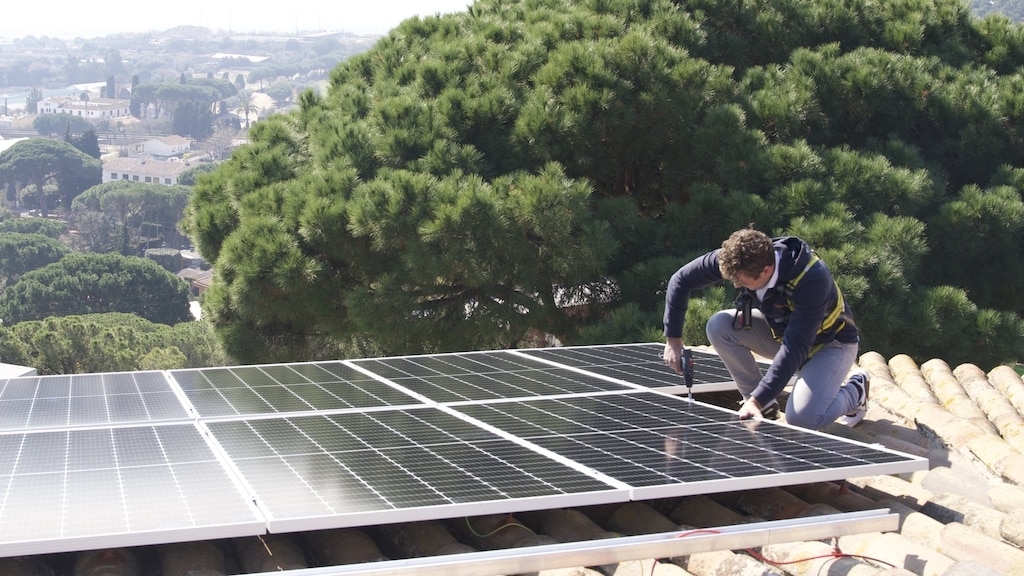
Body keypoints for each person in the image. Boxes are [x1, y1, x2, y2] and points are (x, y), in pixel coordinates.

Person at [662, 228, 870, 430]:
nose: (736, 285)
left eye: (741, 281)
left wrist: (757, 400)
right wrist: (673, 340)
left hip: (831, 345)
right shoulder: (739, 257)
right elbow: (680, 280)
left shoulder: (813, 278)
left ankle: (856, 392)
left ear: (767, 271)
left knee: (803, 419)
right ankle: (765, 407)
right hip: (783, 335)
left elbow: (794, 348)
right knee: (719, 326)